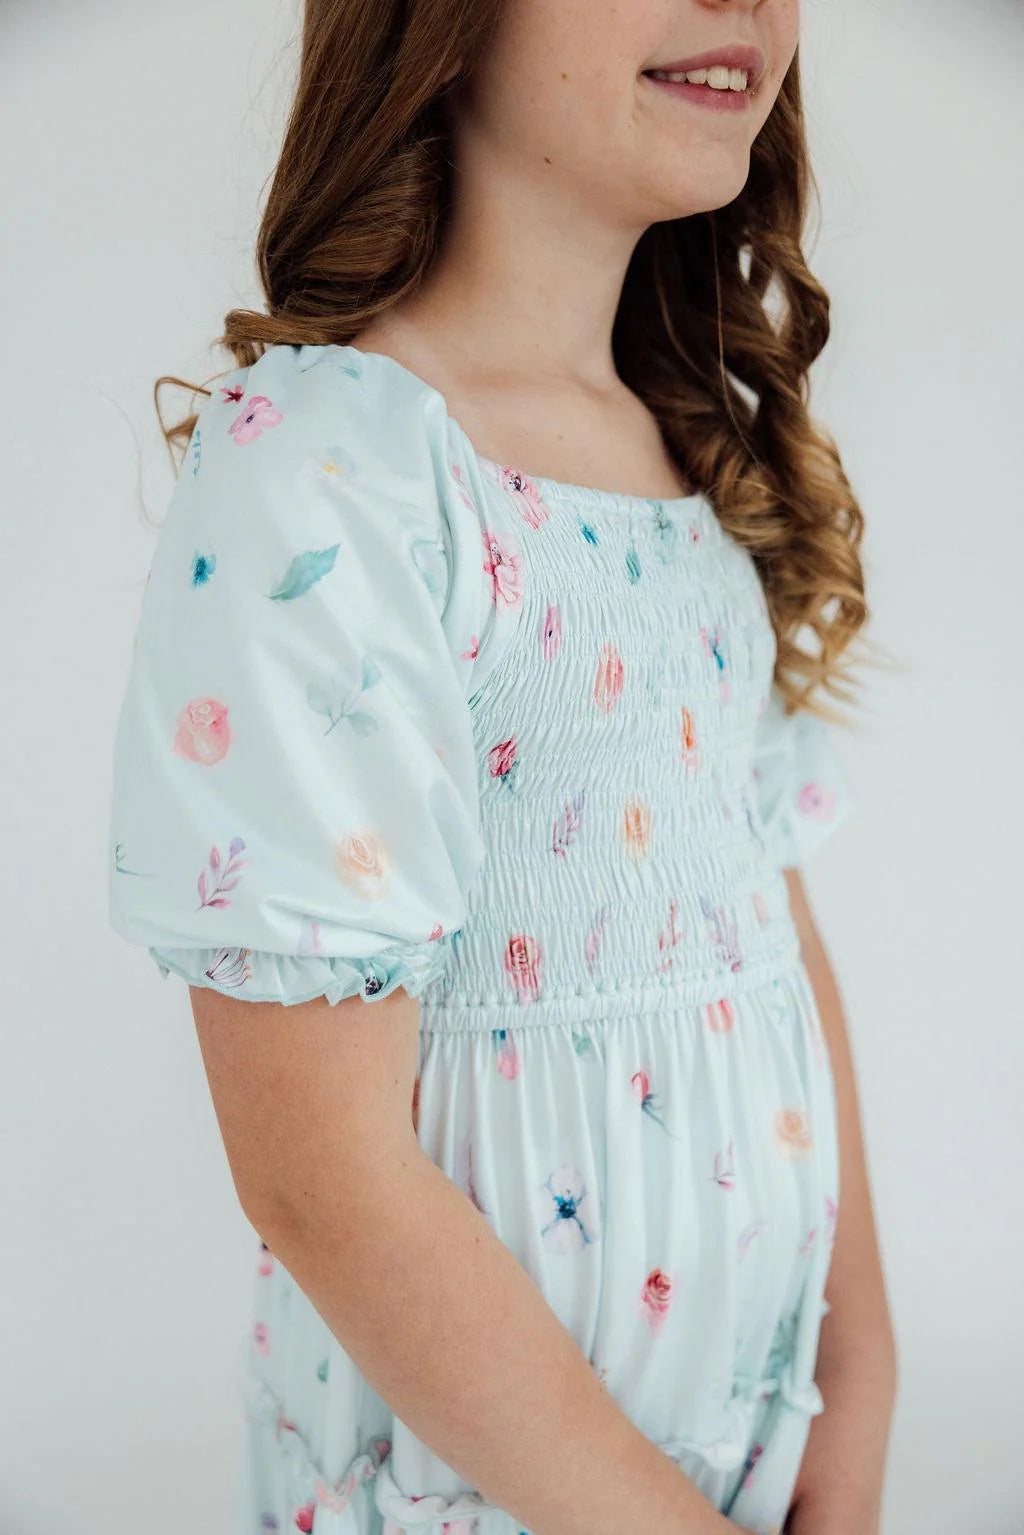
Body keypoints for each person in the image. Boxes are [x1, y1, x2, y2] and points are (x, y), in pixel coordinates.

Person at [107, 1, 899, 1531]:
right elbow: (320, 1179)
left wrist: (856, 1388)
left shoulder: (688, 454)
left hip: (752, 1458)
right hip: (483, 1496)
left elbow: (773, 934)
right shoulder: (333, 472)